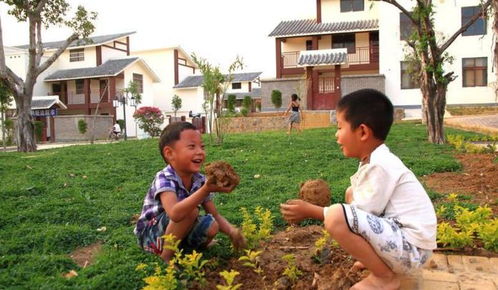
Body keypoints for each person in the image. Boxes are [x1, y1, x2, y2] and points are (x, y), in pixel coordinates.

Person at [280, 89, 436, 290]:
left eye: (339, 127)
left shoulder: (380, 165)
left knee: (337, 216)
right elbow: (362, 214)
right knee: (350, 194)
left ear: (362, 132)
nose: (336, 134)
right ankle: (379, 262)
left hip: (412, 250)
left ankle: (384, 277)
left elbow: (356, 216)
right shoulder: (375, 159)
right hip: (406, 244)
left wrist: (311, 211)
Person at [134, 122, 245, 263]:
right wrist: (205, 190)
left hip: (175, 229)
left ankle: (183, 247)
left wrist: (232, 231)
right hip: (151, 234)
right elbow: (175, 212)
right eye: (192, 146)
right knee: (190, 211)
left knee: (212, 226)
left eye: (202, 147)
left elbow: (214, 214)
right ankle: (166, 256)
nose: (200, 152)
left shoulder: (199, 180)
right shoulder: (165, 177)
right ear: (169, 153)